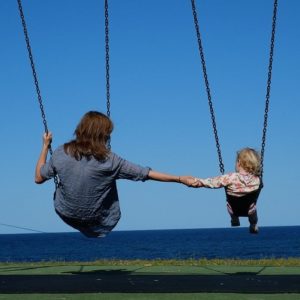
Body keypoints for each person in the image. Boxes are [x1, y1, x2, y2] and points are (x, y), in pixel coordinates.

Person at [35, 111, 196, 238]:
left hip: (66, 212)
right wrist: (180, 179)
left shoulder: (61, 152)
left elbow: (38, 178)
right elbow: (145, 173)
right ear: (102, 135)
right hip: (99, 219)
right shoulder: (111, 160)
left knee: (98, 179)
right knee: (109, 178)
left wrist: (45, 146)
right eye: (108, 133)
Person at [193, 148, 261, 234]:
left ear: (239, 162)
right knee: (253, 215)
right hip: (250, 209)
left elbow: (211, 182)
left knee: (230, 207)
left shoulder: (229, 177)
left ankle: (234, 219)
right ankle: (253, 224)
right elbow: (260, 185)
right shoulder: (257, 180)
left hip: (233, 209)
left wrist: (199, 181)